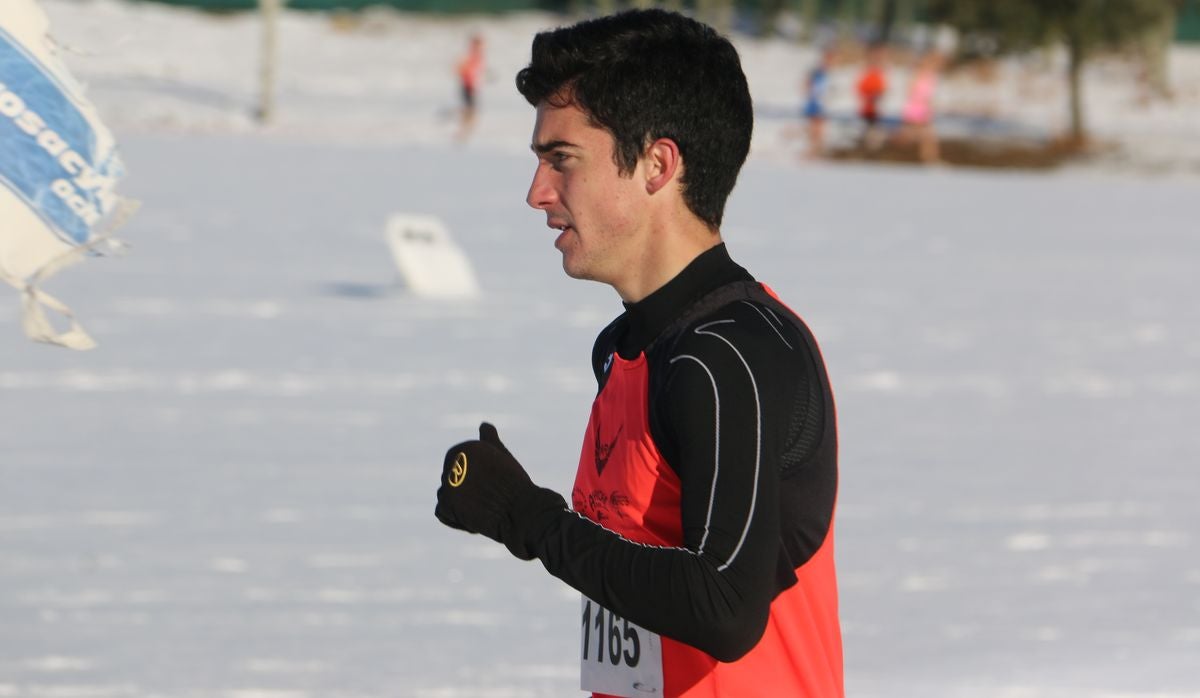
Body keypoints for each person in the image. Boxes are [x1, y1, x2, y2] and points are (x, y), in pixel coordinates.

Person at [434, 10, 843, 697]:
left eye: (560, 160)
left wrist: (528, 520)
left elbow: (725, 608)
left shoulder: (727, 355)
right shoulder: (628, 350)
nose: (536, 193)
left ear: (658, 164)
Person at [899, 50, 943, 163]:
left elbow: (929, 96)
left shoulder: (931, 76)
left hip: (923, 109)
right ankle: (930, 159)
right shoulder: (919, 75)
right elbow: (911, 92)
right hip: (917, 109)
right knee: (926, 136)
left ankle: (929, 158)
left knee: (923, 136)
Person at [802, 46, 835, 158]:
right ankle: (813, 150)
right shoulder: (818, 71)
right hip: (815, 103)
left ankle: (815, 150)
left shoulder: (826, 72)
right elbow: (808, 84)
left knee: (819, 128)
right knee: (816, 128)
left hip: (820, 103)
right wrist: (813, 95)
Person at [855, 42, 888, 151]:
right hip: (869, 107)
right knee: (872, 130)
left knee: (873, 130)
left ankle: (870, 148)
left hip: (874, 107)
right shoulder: (868, 72)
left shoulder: (878, 72)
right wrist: (871, 96)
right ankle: (869, 148)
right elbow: (861, 88)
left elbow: (882, 89)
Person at [455, 33, 484, 140]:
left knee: (470, 109)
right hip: (468, 86)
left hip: (470, 86)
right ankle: (464, 132)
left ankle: (465, 131)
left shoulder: (476, 56)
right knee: (470, 110)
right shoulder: (472, 57)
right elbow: (462, 69)